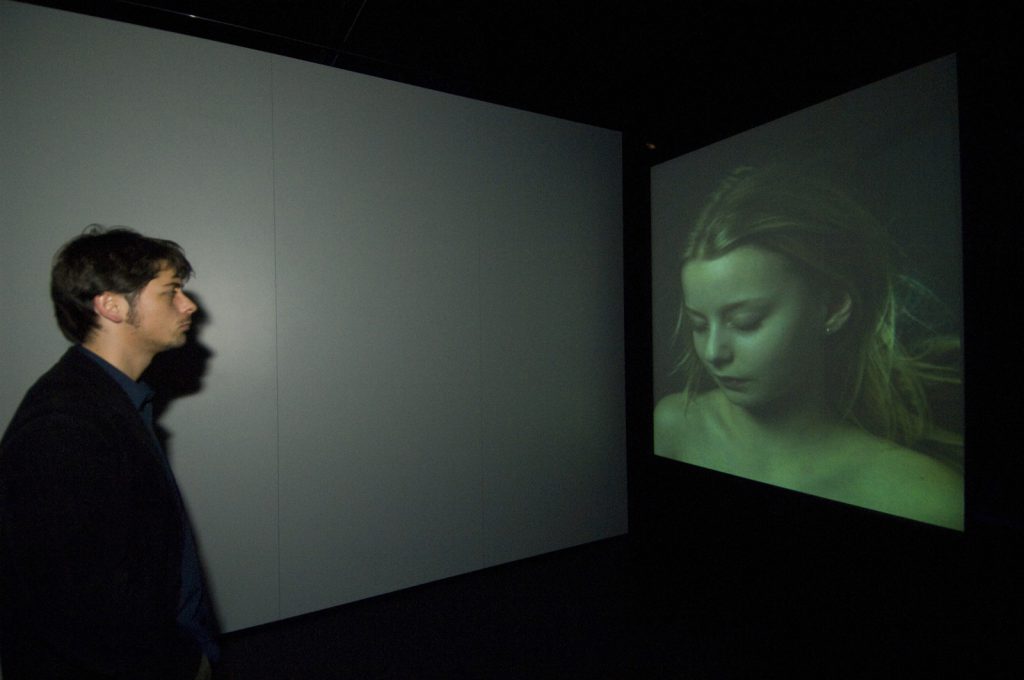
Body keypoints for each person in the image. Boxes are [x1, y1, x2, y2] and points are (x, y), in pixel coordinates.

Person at [654, 166, 964, 530]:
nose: (713, 352)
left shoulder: (926, 498)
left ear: (832, 307)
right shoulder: (673, 426)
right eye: (698, 324)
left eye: (746, 322)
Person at [0, 227, 218, 678]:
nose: (188, 305)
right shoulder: (63, 428)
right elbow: (73, 611)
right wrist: (181, 663)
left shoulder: (108, 398)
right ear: (111, 305)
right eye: (171, 292)